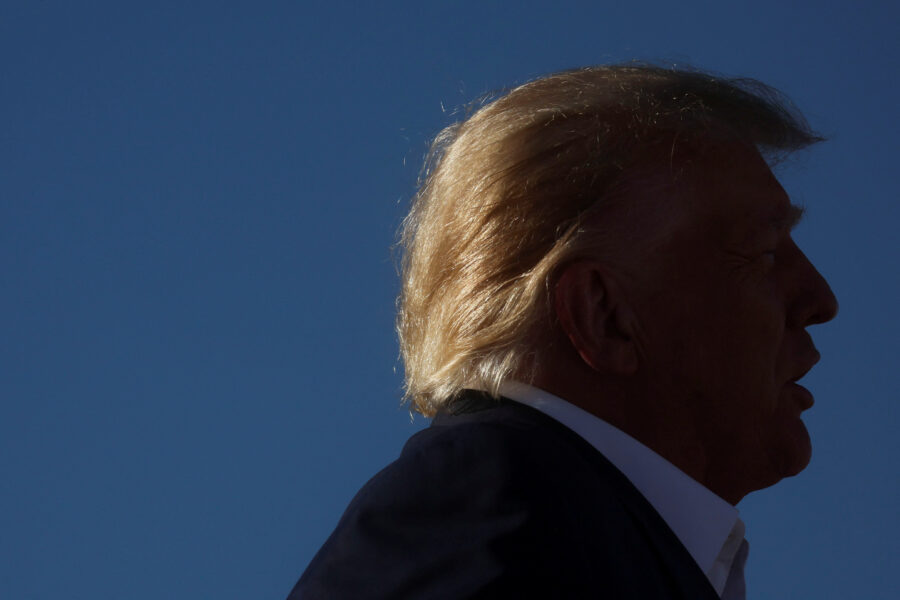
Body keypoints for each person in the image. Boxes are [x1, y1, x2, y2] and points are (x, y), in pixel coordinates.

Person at [287, 64, 838, 599]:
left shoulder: (571, 529)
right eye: (762, 253)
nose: (820, 298)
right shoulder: (491, 501)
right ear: (604, 316)